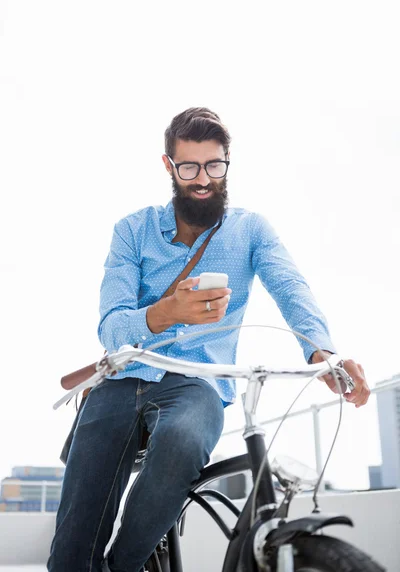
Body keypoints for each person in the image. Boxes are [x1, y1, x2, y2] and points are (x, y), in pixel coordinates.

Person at [47, 107, 370, 572]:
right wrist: (164, 314)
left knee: (183, 439)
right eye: (190, 167)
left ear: (227, 162)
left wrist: (324, 352)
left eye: (214, 165)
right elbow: (112, 327)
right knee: (73, 543)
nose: (203, 179)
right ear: (168, 167)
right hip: (122, 379)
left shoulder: (250, 230)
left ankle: (125, 566)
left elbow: (291, 288)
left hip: (197, 382)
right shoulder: (132, 231)